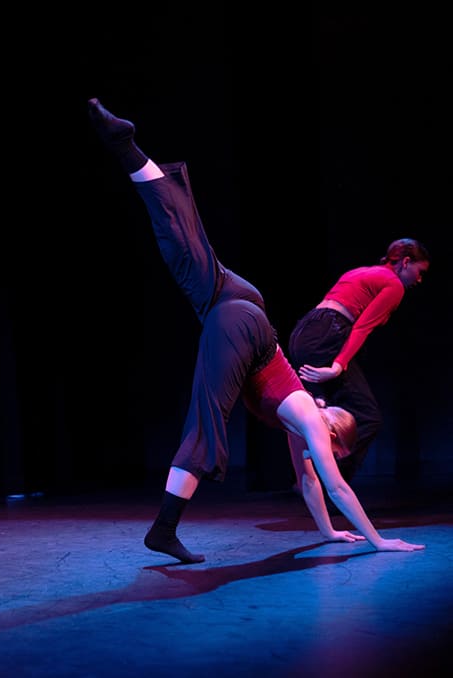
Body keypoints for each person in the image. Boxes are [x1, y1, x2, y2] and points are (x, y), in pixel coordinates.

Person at [87, 97, 424, 563]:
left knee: (184, 244)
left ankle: (126, 148)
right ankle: (164, 529)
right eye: (336, 450)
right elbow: (336, 486)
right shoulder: (311, 421)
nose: (328, 456)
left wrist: (327, 533)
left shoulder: (300, 426)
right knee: (206, 420)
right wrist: (380, 541)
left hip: (237, 305)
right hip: (244, 327)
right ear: (334, 433)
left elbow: (309, 483)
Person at [288, 238, 430, 482]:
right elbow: (362, 327)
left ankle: (315, 469)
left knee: (325, 410)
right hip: (329, 335)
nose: (419, 280)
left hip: (304, 332)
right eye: (420, 272)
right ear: (406, 262)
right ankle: (332, 482)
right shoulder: (394, 285)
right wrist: (338, 365)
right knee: (367, 417)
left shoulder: (362, 272)